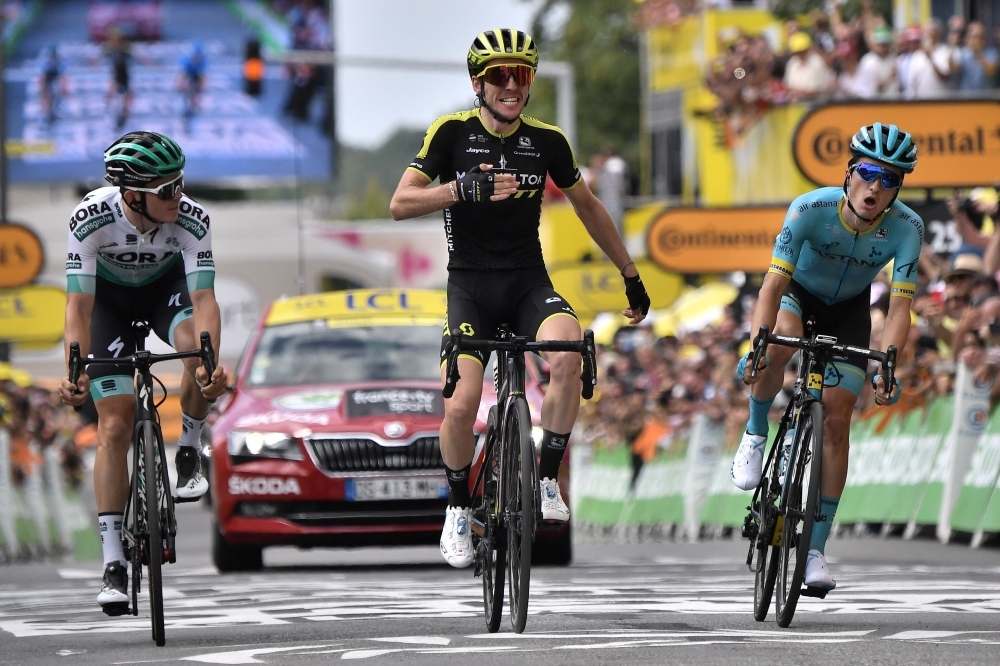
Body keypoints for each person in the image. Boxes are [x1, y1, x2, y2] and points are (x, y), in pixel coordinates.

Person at [389, 29, 651, 568]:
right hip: (470, 286)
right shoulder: (452, 132)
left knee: (570, 355)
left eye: (522, 75)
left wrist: (629, 272)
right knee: (461, 404)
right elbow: (400, 203)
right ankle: (459, 508)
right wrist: (461, 189)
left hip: (529, 281)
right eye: (499, 76)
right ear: (478, 84)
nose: (511, 85)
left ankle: (547, 479)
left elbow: (589, 207)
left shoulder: (548, 141)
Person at [731, 123, 922, 591]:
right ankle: (757, 431)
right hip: (799, 296)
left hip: (850, 313)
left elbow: (900, 309)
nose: (876, 187)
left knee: (837, 422)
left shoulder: (907, 228)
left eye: (890, 179)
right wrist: (758, 343)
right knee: (779, 344)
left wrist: (888, 364)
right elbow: (773, 286)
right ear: (850, 171)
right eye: (870, 172)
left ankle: (814, 552)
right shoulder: (809, 209)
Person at [58, 131, 228, 614]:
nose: (179, 195)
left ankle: (190, 447)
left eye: (181, 182)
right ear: (132, 195)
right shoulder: (90, 218)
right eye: (166, 190)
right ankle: (113, 560)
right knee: (113, 422)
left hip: (165, 291)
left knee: (196, 352)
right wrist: (74, 369)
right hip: (106, 303)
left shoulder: (192, 219)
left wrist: (209, 365)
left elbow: (204, 301)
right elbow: (79, 305)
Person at [953, 21, 998, 92]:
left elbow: (991, 71)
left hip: (986, 99)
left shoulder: (991, 52)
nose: (975, 40)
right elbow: (954, 68)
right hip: (966, 99)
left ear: (984, 39)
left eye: (978, 37)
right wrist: (953, 46)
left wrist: (978, 52)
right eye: (972, 36)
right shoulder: (963, 53)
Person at [103, 28, 133, 131]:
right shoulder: (108, 47)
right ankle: (108, 109)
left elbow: (139, 56)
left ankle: (124, 117)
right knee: (111, 90)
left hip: (124, 76)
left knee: (127, 98)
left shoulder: (125, 48)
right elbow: (99, 57)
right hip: (115, 76)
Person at [177, 42, 207, 127]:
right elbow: (182, 74)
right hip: (188, 74)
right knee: (187, 92)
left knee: (195, 92)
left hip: (195, 75)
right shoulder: (186, 61)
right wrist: (181, 85)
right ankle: (188, 109)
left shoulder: (202, 60)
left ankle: (195, 106)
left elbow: (202, 76)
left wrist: (200, 88)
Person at [37, 43, 66, 127]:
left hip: (55, 81)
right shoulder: (46, 61)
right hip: (49, 81)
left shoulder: (59, 60)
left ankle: (54, 114)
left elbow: (62, 71)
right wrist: (42, 85)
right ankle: (48, 115)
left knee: (56, 98)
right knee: (49, 99)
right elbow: (43, 74)